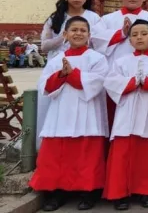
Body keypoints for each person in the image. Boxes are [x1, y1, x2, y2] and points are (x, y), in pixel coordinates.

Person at [29, 16, 109, 211]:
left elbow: (98, 83)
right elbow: (45, 87)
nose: (78, 33)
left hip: (87, 113)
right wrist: (61, 74)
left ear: (89, 35)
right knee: (58, 157)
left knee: (87, 155)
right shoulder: (57, 60)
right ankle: (57, 193)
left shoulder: (97, 58)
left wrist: (72, 74)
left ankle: (88, 193)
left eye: (83, 30)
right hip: (61, 113)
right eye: (74, 30)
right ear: (65, 34)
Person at [103, 19, 148, 210]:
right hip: (127, 112)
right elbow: (111, 83)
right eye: (134, 35)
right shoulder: (120, 62)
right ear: (129, 41)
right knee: (123, 154)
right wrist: (133, 83)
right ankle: (121, 193)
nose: (139, 38)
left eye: (144, 34)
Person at [38, 0, 101, 150]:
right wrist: (64, 37)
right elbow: (44, 45)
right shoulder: (55, 18)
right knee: (52, 110)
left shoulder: (94, 18)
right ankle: (46, 148)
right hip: (57, 66)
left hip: (84, 68)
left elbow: (99, 45)